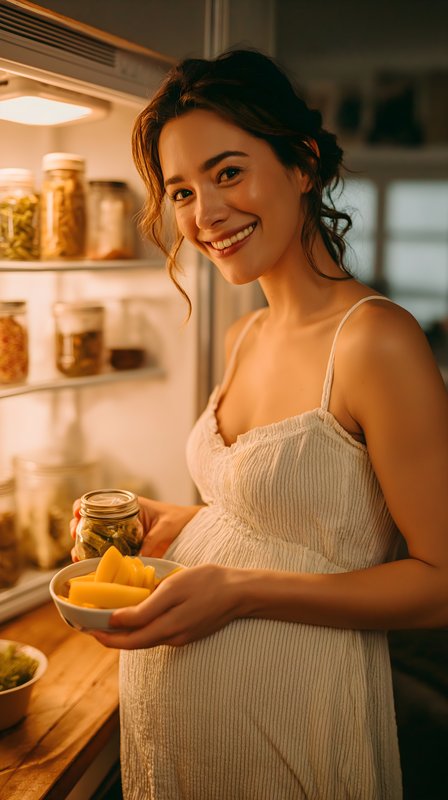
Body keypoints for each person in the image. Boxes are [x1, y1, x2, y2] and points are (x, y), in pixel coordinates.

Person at [71, 49, 448, 799]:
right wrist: (175, 523)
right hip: (181, 740)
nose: (204, 214)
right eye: (181, 189)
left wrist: (239, 592)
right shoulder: (244, 334)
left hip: (301, 723)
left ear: (302, 166)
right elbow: (276, 517)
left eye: (228, 172)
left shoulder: (375, 340)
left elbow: (440, 585)